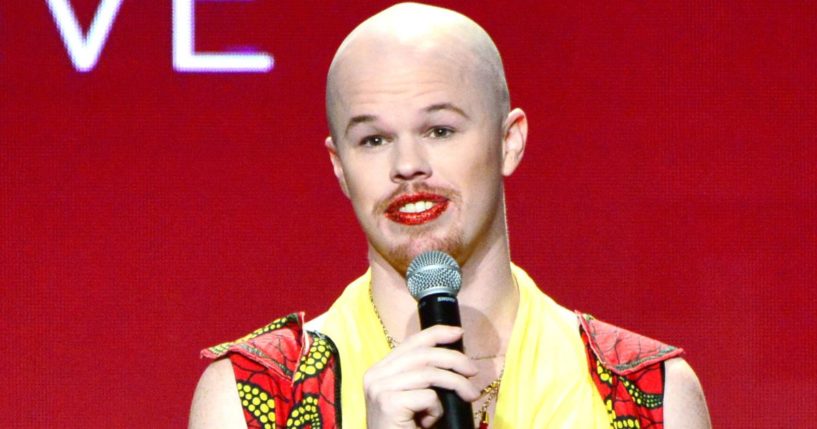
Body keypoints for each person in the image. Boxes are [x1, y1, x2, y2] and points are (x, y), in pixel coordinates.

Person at [189, 3, 711, 428]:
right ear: (340, 168)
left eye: (439, 130)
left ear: (509, 142)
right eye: (373, 140)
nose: (408, 166)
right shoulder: (255, 396)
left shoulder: (646, 395)